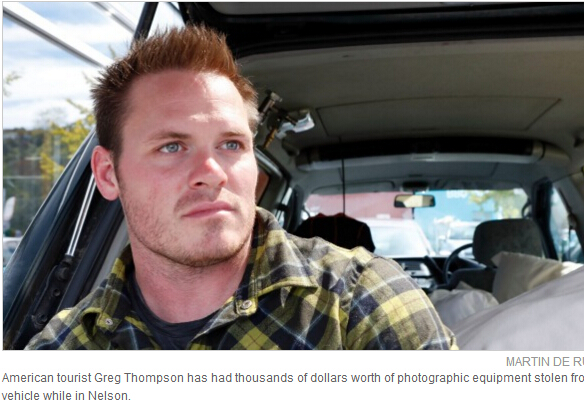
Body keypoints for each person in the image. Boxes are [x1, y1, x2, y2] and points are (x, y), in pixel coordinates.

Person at [26, 26, 456, 350]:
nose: (212, 172)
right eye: (172, 146)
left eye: (231, 144)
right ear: (107, 174)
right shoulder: (62, 351)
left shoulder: (362, 303)